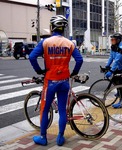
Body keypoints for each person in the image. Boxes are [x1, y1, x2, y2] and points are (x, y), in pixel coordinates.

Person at [29, 15, 83, 146]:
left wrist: (39, 70)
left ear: (52, 27)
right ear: (64, 28)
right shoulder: (70, 43)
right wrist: (74, 72)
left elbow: (32, 57)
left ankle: (43, 137)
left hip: (50, 81)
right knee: (63, 110)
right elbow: (79, 60)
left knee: (45, 109)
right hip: (64, 80)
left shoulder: (45, 42)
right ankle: (60, 137)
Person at [105, 32, 122, 108]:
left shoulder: (121, 48)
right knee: (115, 80)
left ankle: (121, 102)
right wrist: (107, 65)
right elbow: (111, 57)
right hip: (118, 67)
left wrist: (111, 70)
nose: (112, 41)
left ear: (118, 40)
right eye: (111, 40)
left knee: (121, 85)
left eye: (114, 40)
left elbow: (117, 60)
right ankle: (119, 93)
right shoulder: (113, 47)